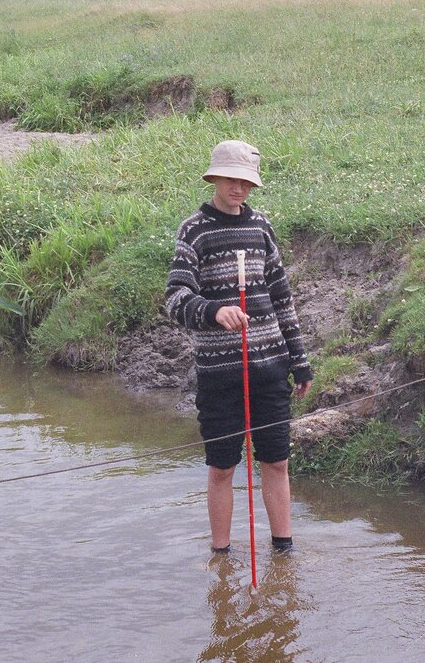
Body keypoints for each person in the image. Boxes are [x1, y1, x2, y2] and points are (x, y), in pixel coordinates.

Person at [165, 139, 313, 555]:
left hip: (270, 370)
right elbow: (176, 298)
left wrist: (299, 362)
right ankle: (221, 557)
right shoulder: (193, 230)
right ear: (215, 177)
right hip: (220, 374)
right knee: (222, 467)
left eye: (247, 183)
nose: (240, 189)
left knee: (277, 462)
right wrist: (214, 311)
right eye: (232, 180)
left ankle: (283, 550)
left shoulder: (261, 228)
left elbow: (283, 299)